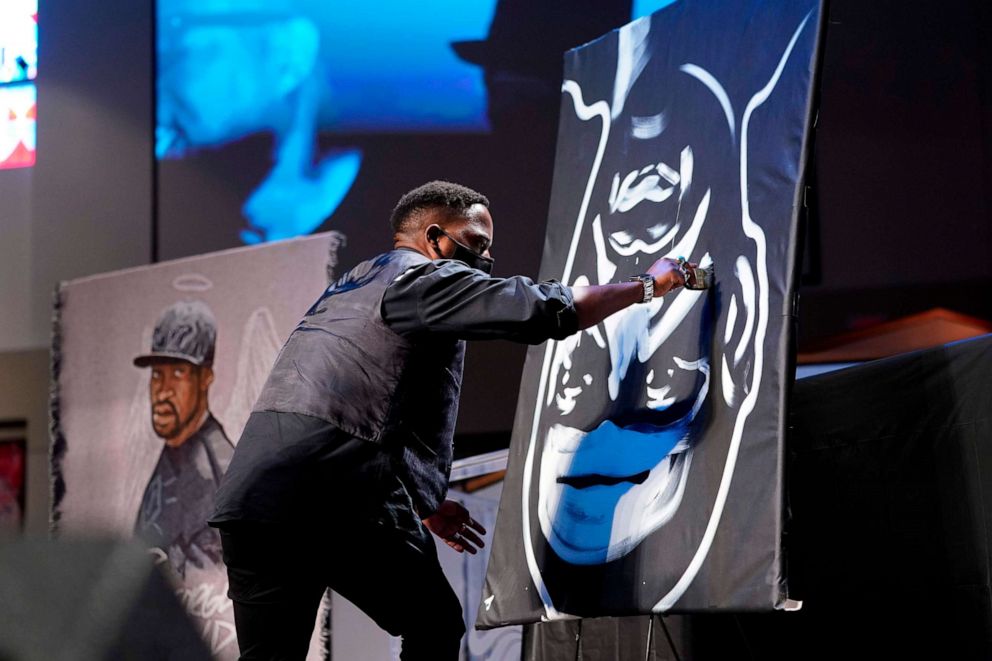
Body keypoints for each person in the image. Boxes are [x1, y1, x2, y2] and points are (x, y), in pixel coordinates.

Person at [208, 180, 694, 660]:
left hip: (256, 503)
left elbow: (369, 400)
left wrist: (423, 502)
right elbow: (541, 310)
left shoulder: (357, 283)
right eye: (476, 245)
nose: (485, 261)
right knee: (434, 623)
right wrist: (648, 284)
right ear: (436, 239)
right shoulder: (419, 277)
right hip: (328, 500)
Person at [134, 300, 234, 578]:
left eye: (178, 373)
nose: (163, 391)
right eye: (157, 375)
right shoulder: (175, 451)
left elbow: (211, 597)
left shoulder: (216, 474)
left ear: (206, 378)